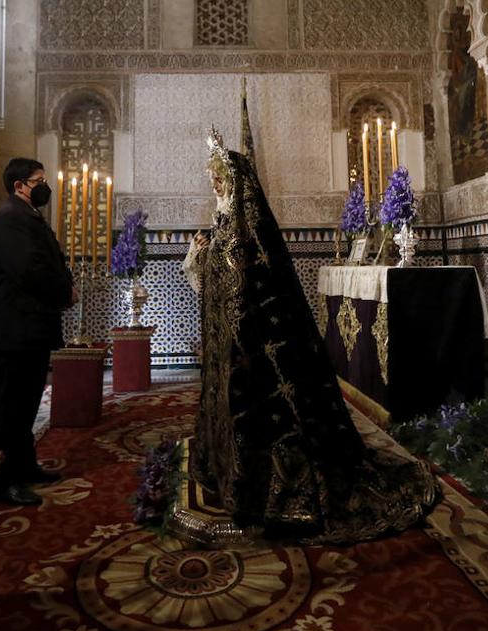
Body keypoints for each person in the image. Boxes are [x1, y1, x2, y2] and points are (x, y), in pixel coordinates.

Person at [182, 126, 436, 545]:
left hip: (262, 354)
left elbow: (246, 282)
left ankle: (274, 488)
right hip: (234, 350)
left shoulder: (250, 231)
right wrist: (201, 254)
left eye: (219, 178)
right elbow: (217, 281)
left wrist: (213, 257)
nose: (213, 183)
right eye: (213, 177)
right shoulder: (224, 225)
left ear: (236, 184)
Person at [0, 157, 75, 506]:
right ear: (20, 185)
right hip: (14, 327)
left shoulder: (26, 217)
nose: (44, 186)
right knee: (10, 407)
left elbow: (48, 260)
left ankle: (24, 465)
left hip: (30, 326)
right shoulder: (10, 220)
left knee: (27, 402)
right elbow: (30, 270)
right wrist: (64, 292)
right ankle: (2, 482)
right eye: (39, 181)